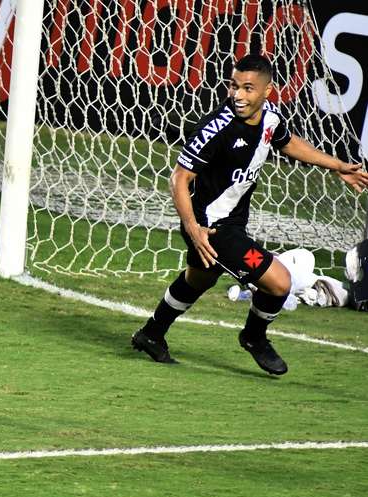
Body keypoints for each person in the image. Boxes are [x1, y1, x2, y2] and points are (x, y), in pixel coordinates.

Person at [131, 54, 368, 375]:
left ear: (267, 91)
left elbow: (288, 142)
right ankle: (254, 337)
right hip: (211, 229)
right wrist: (193, 227)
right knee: (278, 283)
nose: (238, 95)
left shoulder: (270, 117)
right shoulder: (218, 128)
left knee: (199, 278)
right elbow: (179, 178)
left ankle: (152, 333)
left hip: (229, 222)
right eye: (233, 87)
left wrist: (338, 165)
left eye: (247, 88)